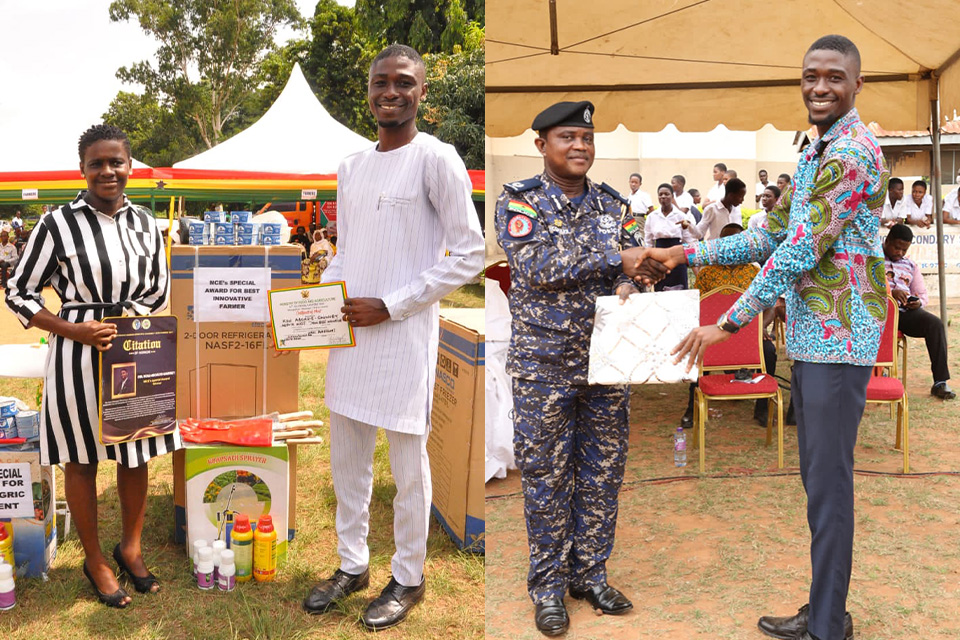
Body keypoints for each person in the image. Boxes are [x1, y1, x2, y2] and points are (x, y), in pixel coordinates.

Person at [644, 35, 884, 640]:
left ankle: (828, 626)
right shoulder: (814, 151)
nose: (820, 86)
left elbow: (802, 248)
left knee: (827, 489)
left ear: (858, 84)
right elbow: (767, 233)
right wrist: (683, 252)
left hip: (838, 342)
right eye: (811, 76)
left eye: (834, 77)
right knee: (818, 486)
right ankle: (827, 608)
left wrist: (728, 321)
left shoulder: (852, 151)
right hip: (812, 339)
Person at [302, 44, 484, 631]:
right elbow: (348, 250)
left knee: (409, 467)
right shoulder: (352, 166)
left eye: (403, 83)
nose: (390, 92)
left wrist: (394, 304)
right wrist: (315, 307)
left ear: (420, 93)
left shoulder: (438, 158)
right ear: (370, 89)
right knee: (347, 462)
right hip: (349, 336)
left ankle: (409, 575)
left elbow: (471, 254)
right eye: (382, 82)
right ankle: (352, 563)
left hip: (403, 337)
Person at [495, 100, 658, 637]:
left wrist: (633, 281)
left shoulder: (616, 207)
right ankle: (547, 587)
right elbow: (535, 267)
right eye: (567, 137)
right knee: (545, 478)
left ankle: (589, 573)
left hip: (608, 364)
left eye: (586, 139)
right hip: (543, 368)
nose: (580, 147)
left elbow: (639, 266)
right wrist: (617, 263)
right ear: (541, 144)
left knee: (602, 474)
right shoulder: (520, 202)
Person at [5, 124, 177, 608]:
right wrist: (74, 328)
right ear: (82, 169)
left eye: (116, 161)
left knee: (135, 451)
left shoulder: (147, 222)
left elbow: (159, 290)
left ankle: (131, 547)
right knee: (81, 458)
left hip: (137, 349)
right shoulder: (56, 223)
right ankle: (96, 559)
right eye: (97, 163)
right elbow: (18, 291)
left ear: (130, 166)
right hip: (76, 351)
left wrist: (132, 328)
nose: (108, 171)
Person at [883, 223, 955, 399]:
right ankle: (878, 374)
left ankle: (940, 383)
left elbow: (922, 295)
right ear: (887, 240)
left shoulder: (910, 265)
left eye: (904, 249)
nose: (900, 252)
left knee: (935, 324)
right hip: (880, 312)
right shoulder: (873, 258)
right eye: (896, 247)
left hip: (905, 313)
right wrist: (890, 293)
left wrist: (917, 303)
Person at [646, 183, 697, 290]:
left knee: (679, 287)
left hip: (677, 253)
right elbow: (648, 240)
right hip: (659, 255)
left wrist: (693, 260)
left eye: (666, 194)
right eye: (660, 194)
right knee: (660, 288)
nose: (663, 197)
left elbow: (688, 239)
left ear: (672, 197)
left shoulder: (681, 216)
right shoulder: (652, 217)